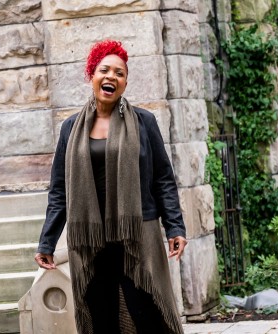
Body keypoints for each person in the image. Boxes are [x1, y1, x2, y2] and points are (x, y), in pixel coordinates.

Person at [34, 40, 188, 334]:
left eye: (119, 73)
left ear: (125, 82)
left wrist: (175, 227)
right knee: (101, 317)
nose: (111, 77)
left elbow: (163, 178)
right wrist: (47, 242)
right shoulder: (70, 129)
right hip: (91, 240)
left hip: (136, 235)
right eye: (104, 70)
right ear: (91, 75)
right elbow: (59, 191)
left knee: (148, 314)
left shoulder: (144, 122)